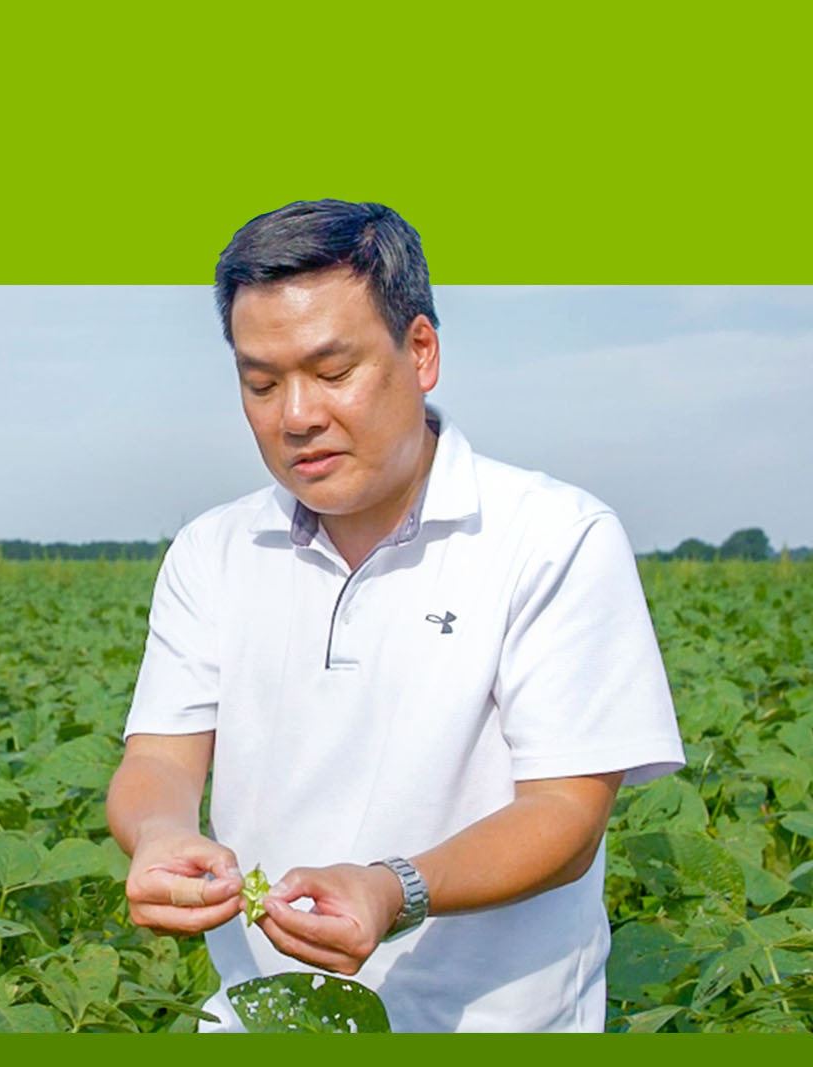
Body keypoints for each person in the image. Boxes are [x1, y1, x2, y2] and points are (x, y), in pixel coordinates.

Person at [106, 200, 685, 1032]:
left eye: (333, 372)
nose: (295, 415)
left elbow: (565, 816)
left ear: (421, 351)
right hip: (261, 1020)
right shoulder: (214, 550)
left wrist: (393, 887)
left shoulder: (552, 537)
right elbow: (158, 758)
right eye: (260, 382)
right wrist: (159, 833)